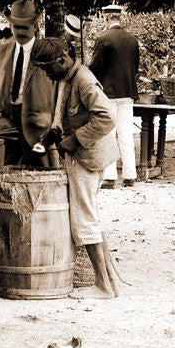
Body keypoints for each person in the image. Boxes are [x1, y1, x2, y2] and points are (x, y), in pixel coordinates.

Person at [31, 37, 120, 299]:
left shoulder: (83, 79)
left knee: (84, 220)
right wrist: (54, 134)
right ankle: (108, 282)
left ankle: (102, 286)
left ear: (62, 59)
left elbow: (108, 116)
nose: (47, 74)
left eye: (48, 68)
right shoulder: (68, 78)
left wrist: (76, 138)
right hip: (85, 154)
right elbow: (68, 114)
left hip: (87, 157)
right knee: (89, 216)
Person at [0, 0, 54, 165]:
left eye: (25, 27)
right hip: (6, 126)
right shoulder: (1, 53)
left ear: (35, 27)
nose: (20, 32)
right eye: (16, 27)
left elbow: (60, 90)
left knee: (41, 177)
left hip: (39, 130)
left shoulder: (47, 54)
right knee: (5, 179)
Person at [88, 4, 141, 188]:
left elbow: (94, 68)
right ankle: (130, 176)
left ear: (107, 17)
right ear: (119, 18)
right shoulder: (132, 39)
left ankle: (110, 177)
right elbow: (136, 67)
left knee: (108, 134)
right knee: (126, 134)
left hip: (108, 93)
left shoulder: (103, 39)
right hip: (127, 92)